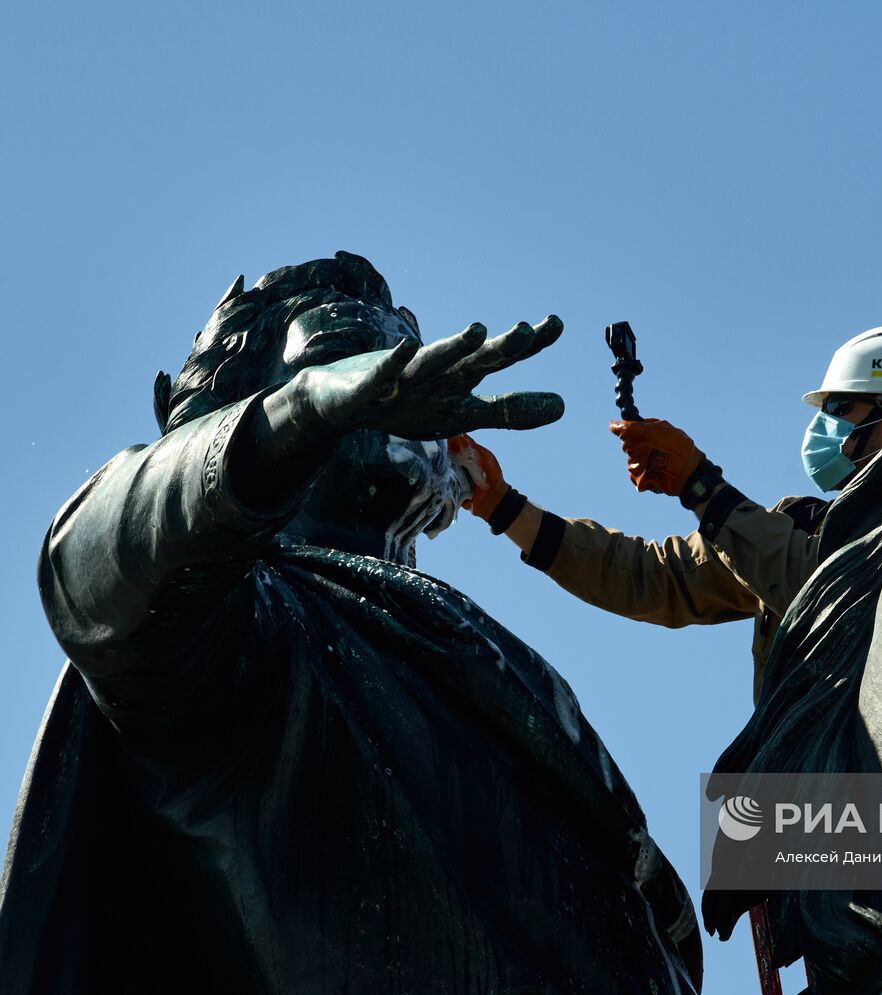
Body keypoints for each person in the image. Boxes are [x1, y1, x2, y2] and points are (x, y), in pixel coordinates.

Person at [0, 253, 701, 995]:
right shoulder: (238, 628)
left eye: (407, 354)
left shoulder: (499, 658)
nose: (394, 376)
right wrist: (298, 415)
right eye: (346, 354)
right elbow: (83, 570)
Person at [452, 325, 882, 700]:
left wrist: (702, 486)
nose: (823, 428)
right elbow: (654, 577)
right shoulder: (802, 526)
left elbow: (831, 596)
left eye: (841, 408)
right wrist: (502, 505)